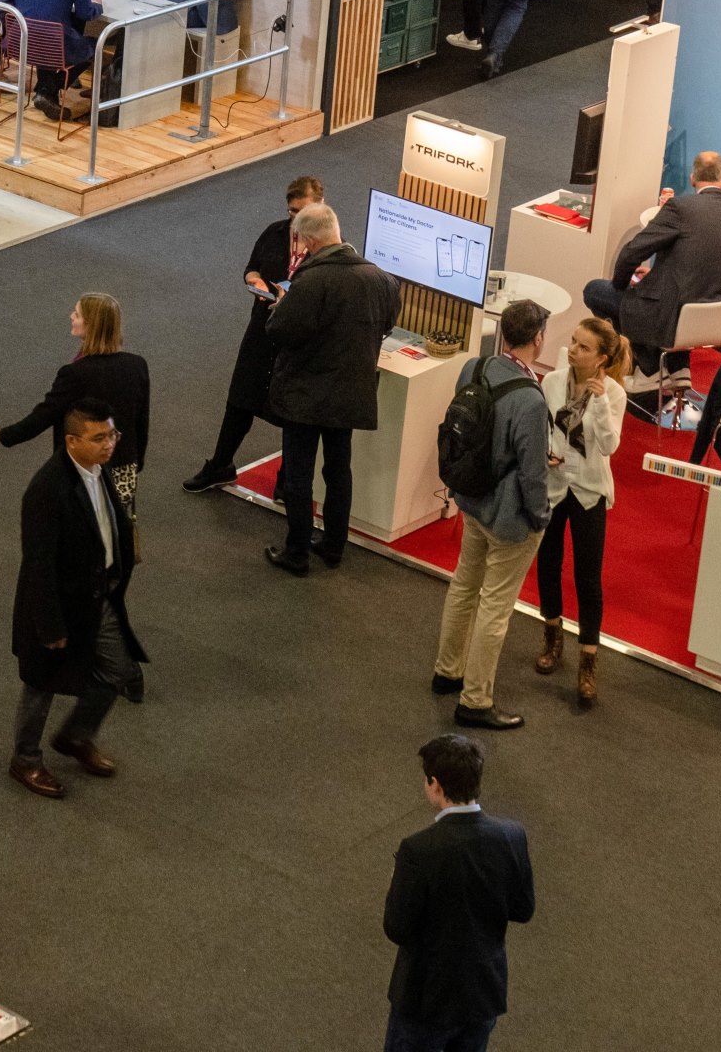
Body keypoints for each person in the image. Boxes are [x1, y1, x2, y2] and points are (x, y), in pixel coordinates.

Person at [8, 399, 141, 799]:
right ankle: (25, 760)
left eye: (112, 434)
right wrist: (49, 626)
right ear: (71, 440)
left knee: (118, 669)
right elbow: (38, 563)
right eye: (98, 437)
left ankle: (75, 736)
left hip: (96, 594)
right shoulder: (47, 490)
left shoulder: (99, 470)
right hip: (57, 604)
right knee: (40, 684)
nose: (109, 444)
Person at [432, 301, 555, 730]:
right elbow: (533, 473)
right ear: (537, 338)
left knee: (464, 585)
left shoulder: (475, 367)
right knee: (495, 607)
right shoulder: (531, 400)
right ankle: (476, 700)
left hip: (472, 499)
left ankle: (448, 670)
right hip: (509, 517)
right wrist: (540, 518)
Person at [261, 203, 400, 576]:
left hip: (306, 395)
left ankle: (297, 553)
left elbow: (279, 331)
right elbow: (387, 324)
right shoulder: (381, 279)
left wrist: (281, 306)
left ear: (308, 239)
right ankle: (334, 545)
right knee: (340, 471)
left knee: (299, 475)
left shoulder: (311, 281)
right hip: (350, 393)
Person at [382, 733, 536, 1051]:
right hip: (482, 994)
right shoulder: (512, 835)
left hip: (426, 999)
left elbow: (396, 928)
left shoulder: (418, 850)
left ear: (435, 784)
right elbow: (523, 910)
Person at [188, 176, 322, 490]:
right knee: (240, 399)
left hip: (297, 342)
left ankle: (287, 481)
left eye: (304, 212)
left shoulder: (329, 247)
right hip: (262, 329)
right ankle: (220, 464)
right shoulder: (274, 233)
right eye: (292, 211)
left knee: (292, 414)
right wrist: (256, 281)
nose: (297, 219)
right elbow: (252, 267)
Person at [532, 316, 628, 709]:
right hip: (556, 488)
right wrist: (545, 455)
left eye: (584, 347)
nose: (573, 350)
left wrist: (602, 401)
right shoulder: (552, 382)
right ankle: (552, 637)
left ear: (602, 358)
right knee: (547, 564)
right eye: (573, 342)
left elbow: (608, 447)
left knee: (588, 578)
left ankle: (588, 658)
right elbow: (542, 430)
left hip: (588, 491)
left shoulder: (614, 394)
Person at [584, 151, 721, 368]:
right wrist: (655, 275)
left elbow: (631, 253)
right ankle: (673, 366)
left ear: (693, 178)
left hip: (674, 317)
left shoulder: (680, 208)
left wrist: (621, 287)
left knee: (595, 290)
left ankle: (646, 365)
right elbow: (710, 264)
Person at [0, 293, 152, 515]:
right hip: (124, 468)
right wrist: (135, 461)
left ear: (91, 325)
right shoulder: (137, 365)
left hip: (82, 471)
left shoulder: (75, 374)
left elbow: (44, 415)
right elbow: (141, 420)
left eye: (77, 314)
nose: (71, 316)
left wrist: (2, 435)